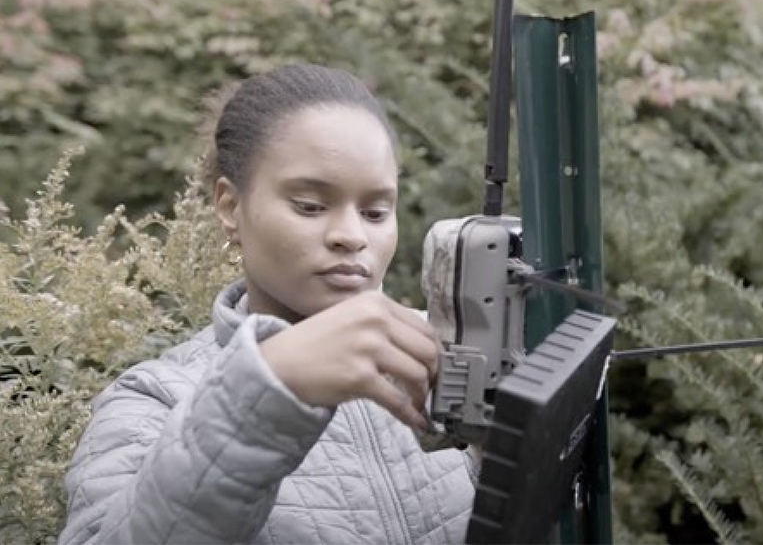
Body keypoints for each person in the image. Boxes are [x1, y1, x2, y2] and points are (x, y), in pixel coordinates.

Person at [59, 63, 478, 544]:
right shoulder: (155, 400)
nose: (351, 236)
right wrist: (267, 387)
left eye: (375, 211)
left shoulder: (446, 360)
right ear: (229, 207)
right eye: (310, 206)